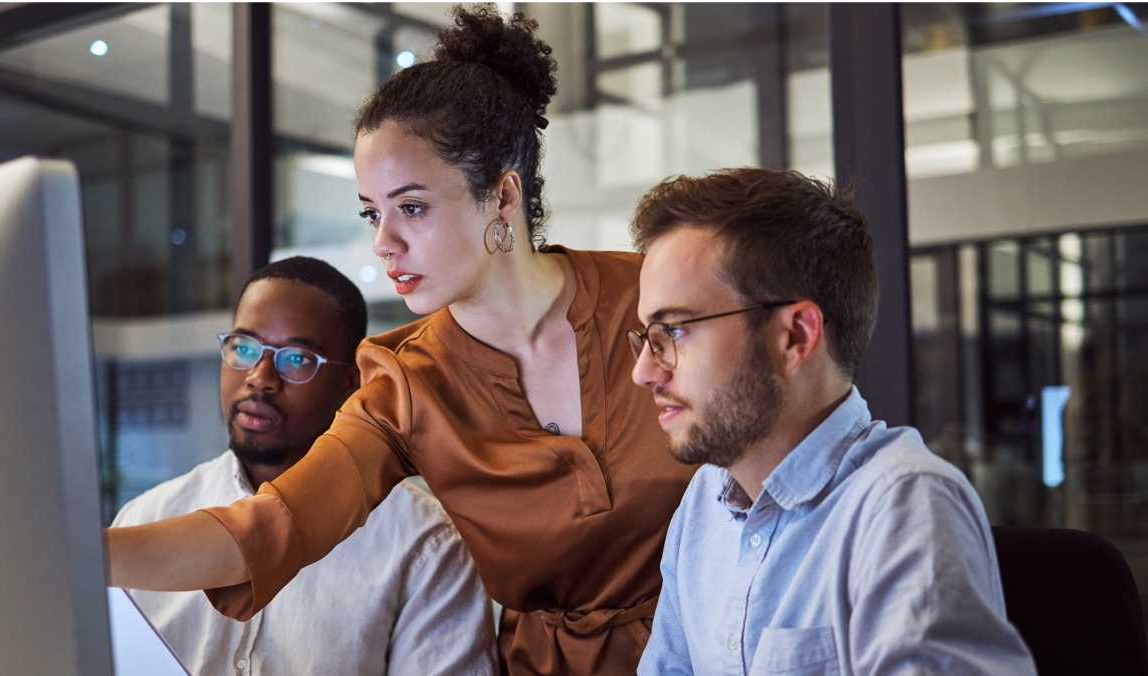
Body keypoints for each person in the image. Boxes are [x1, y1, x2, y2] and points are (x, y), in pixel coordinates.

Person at [106, 6, 697, 674]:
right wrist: (80, 554)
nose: (383, 244)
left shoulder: (652, 300)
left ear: (503, 195)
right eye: (372, 212)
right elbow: (271, 529)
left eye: (411, 207)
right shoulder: (403, 384)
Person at [627, 168, 1036, 674]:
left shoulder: (905, 508)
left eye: (675, 331)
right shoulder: (703, 504)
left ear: (796, 336)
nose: (643, 370)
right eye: (646, 335)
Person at [112, 256, 498, 676]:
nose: (260, 377)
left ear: (351, 383)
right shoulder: (147, 517)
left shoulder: (426, 544)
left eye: (296, 359)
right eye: (243, 348)